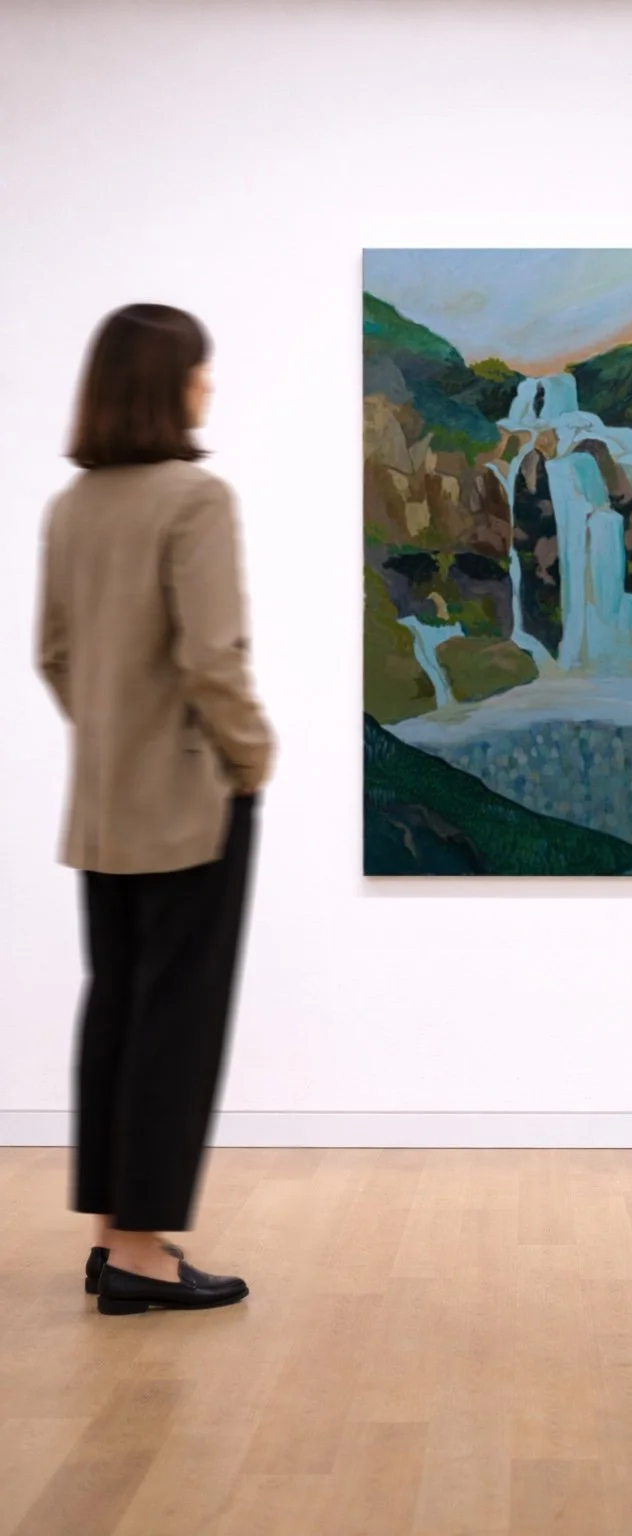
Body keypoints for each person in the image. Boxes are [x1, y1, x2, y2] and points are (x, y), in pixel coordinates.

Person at [35, 304, 276, 1315]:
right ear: (165, 383)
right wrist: (252, 756)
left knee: (118, 1009)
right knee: (176, 1019)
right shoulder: (196, 498)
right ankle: (140, 1256)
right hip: (189, 797)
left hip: (102, 802)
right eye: (198, 371)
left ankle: (113, 1235)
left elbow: (52, 654)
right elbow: (210, 657)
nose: (207, 385)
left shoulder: (72, 506)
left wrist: (108, 734)